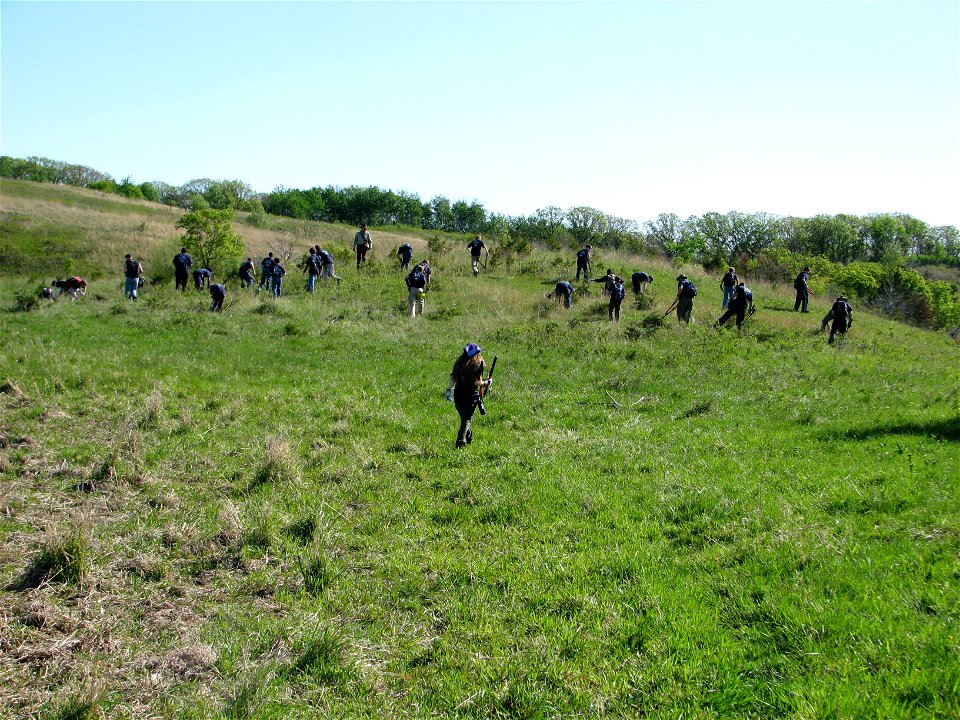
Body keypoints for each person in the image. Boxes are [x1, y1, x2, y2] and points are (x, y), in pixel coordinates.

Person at [445, 343, 493, 449]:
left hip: (458, 395)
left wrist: (448, 390)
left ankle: (468, 437)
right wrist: (487, 382)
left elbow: (453, 377)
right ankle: (460, 442)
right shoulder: (477, 364)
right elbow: (477, 383)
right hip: (470, 396)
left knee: (465, 418)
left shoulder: (459, 363)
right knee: (466, 419)